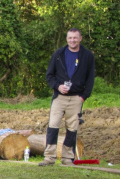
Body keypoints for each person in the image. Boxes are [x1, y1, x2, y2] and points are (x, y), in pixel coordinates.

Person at [41, 28, 95, 167]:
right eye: (70, 38)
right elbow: (49, 75)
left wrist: (83, 97)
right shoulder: (59, 54)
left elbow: (90, 79)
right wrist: (57, 87)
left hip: (76, 98)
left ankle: (67, 158)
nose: (72, 40)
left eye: (75, 38)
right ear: (67, 39)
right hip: (59, 98)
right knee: (53, 126)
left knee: (72, 129)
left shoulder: (87, 56)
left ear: (80, 38)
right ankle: (49, 158)